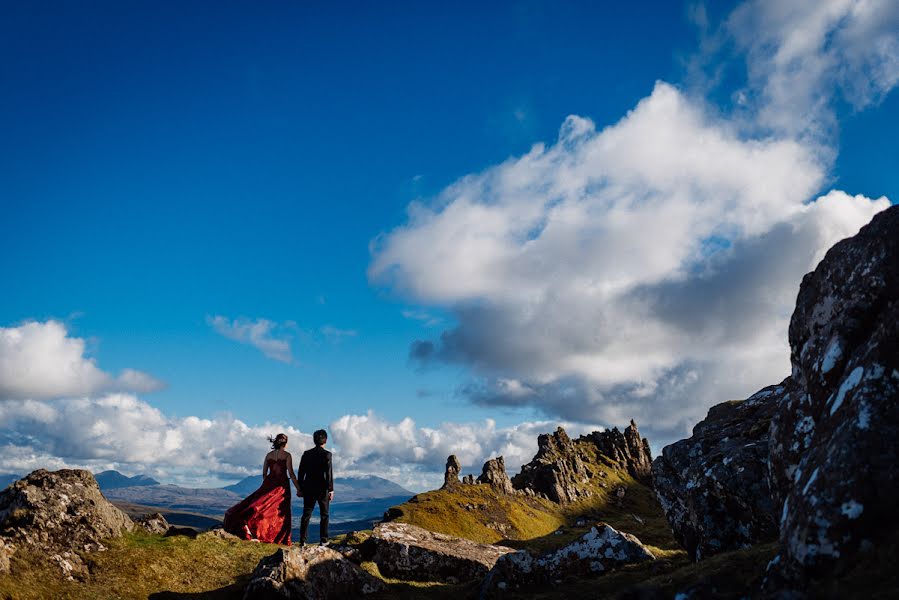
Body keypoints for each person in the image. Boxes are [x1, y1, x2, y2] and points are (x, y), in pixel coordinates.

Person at [222, 433, 300, 545]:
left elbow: (264, 472)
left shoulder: (268, 456)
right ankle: (276, 536)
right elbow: (291, 473)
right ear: (285, 443)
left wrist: (267, 484)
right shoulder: (287, 455)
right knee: (278, 512)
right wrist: (298, 488)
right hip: (281, 487)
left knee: (261, 507)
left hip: (269, 483)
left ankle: (255, 529)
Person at [297, 428, 334, 546]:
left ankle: (303, 541)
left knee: (306, 514)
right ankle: (323, 540)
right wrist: (331, 489)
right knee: (325, 514)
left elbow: (301, 472)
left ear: (314, 440)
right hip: (322, 488)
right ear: (325, 440)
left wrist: (300, 488)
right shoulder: (327, 454)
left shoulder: (306, 454)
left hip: (308, 487)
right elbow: (329, 473)